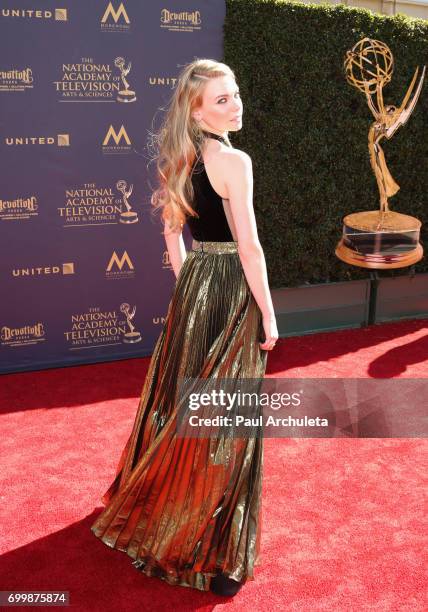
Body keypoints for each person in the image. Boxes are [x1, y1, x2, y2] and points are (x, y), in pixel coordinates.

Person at [90, 58, 278, 596]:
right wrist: (266, 309)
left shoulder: (178, 157)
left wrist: (186, 288)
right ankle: (205, 543)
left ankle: (160, 503)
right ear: (196, 108)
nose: (235, 104)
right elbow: (249, 246)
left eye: (236, 93)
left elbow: (173, 236)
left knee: (181, 404)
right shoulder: (234, 161)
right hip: (228, 284)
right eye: (222, 99)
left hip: (196, 286)